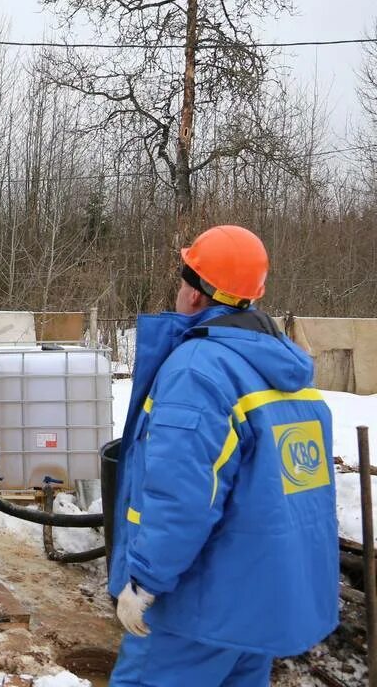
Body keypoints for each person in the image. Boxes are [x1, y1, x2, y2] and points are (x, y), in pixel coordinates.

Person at [108, 225, 338, 686]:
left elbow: (182, 496)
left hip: (197, 609)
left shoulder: (198, 372)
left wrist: (145, 582)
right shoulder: (283, 370)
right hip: (254, 607)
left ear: (195, 294)